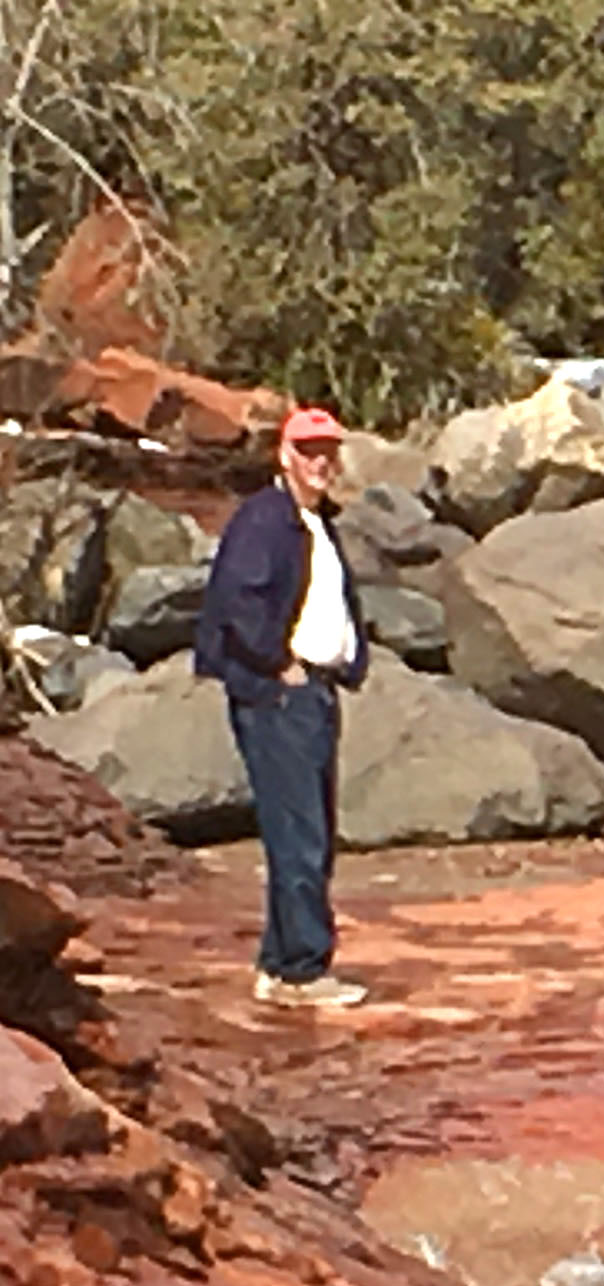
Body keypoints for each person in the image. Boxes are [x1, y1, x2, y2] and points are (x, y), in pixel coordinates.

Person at [194, 404, 371, 1008]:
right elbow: (238, 599)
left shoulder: (317, 521)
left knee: (305, 830)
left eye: (328, 450)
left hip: (315, 693)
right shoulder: (264, 519)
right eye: (309, 449)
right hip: (278, 699)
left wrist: (347, 664)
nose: (321, 461)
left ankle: (281, 962)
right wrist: (277, 664)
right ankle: (302, 970)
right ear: (284, 453)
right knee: (301, 836)